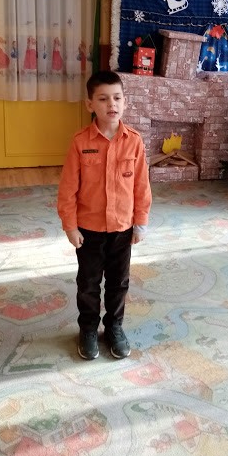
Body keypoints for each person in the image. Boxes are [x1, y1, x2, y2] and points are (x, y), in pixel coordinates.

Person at [57, 70, 152, 360]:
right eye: (103, 99)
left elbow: (141, 186)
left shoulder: (134, 141)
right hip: (89, 230)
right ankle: (88, 329)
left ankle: (114, 327)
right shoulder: (79, 142)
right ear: (90, 105)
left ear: (125, 102)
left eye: (117, 98)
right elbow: (68, 189)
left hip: (122, 228)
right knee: (88, 283)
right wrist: (70, 226)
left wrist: (140, 222)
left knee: (118, 283)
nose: (112, 104)